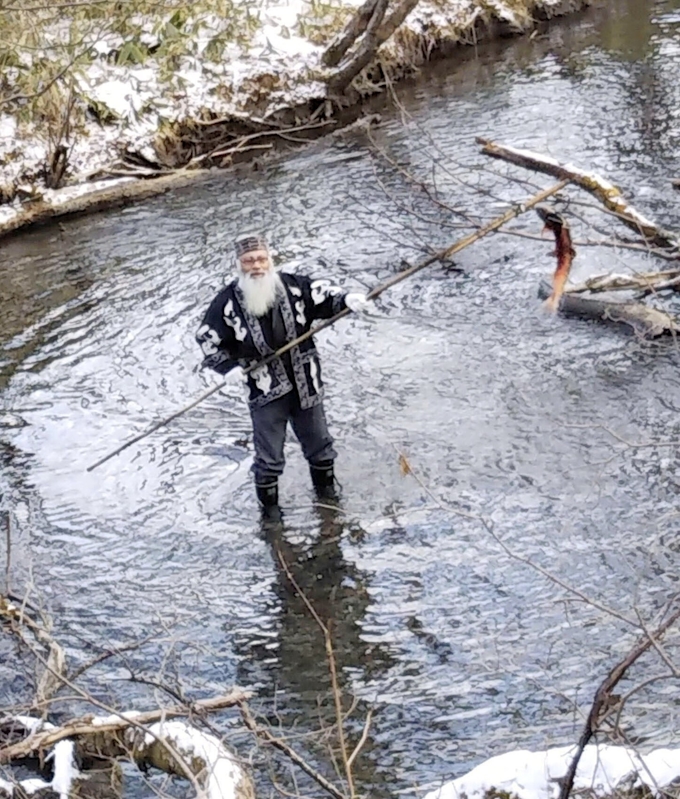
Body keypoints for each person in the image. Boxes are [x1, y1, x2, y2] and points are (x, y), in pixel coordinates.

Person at [196, 234, 374, 520]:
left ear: (270, 259)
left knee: (321, 447)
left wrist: (346, 300)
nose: (256, 266)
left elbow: (325, 297)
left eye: (261, 259)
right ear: (239, 265)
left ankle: (329, 506)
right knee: (268, 459)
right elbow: (208, 338)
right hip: (265, 389)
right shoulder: (227, 302)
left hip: (306, 382)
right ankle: (270, 520)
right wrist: (226, 368)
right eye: (249, 261)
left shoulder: (294, 286)